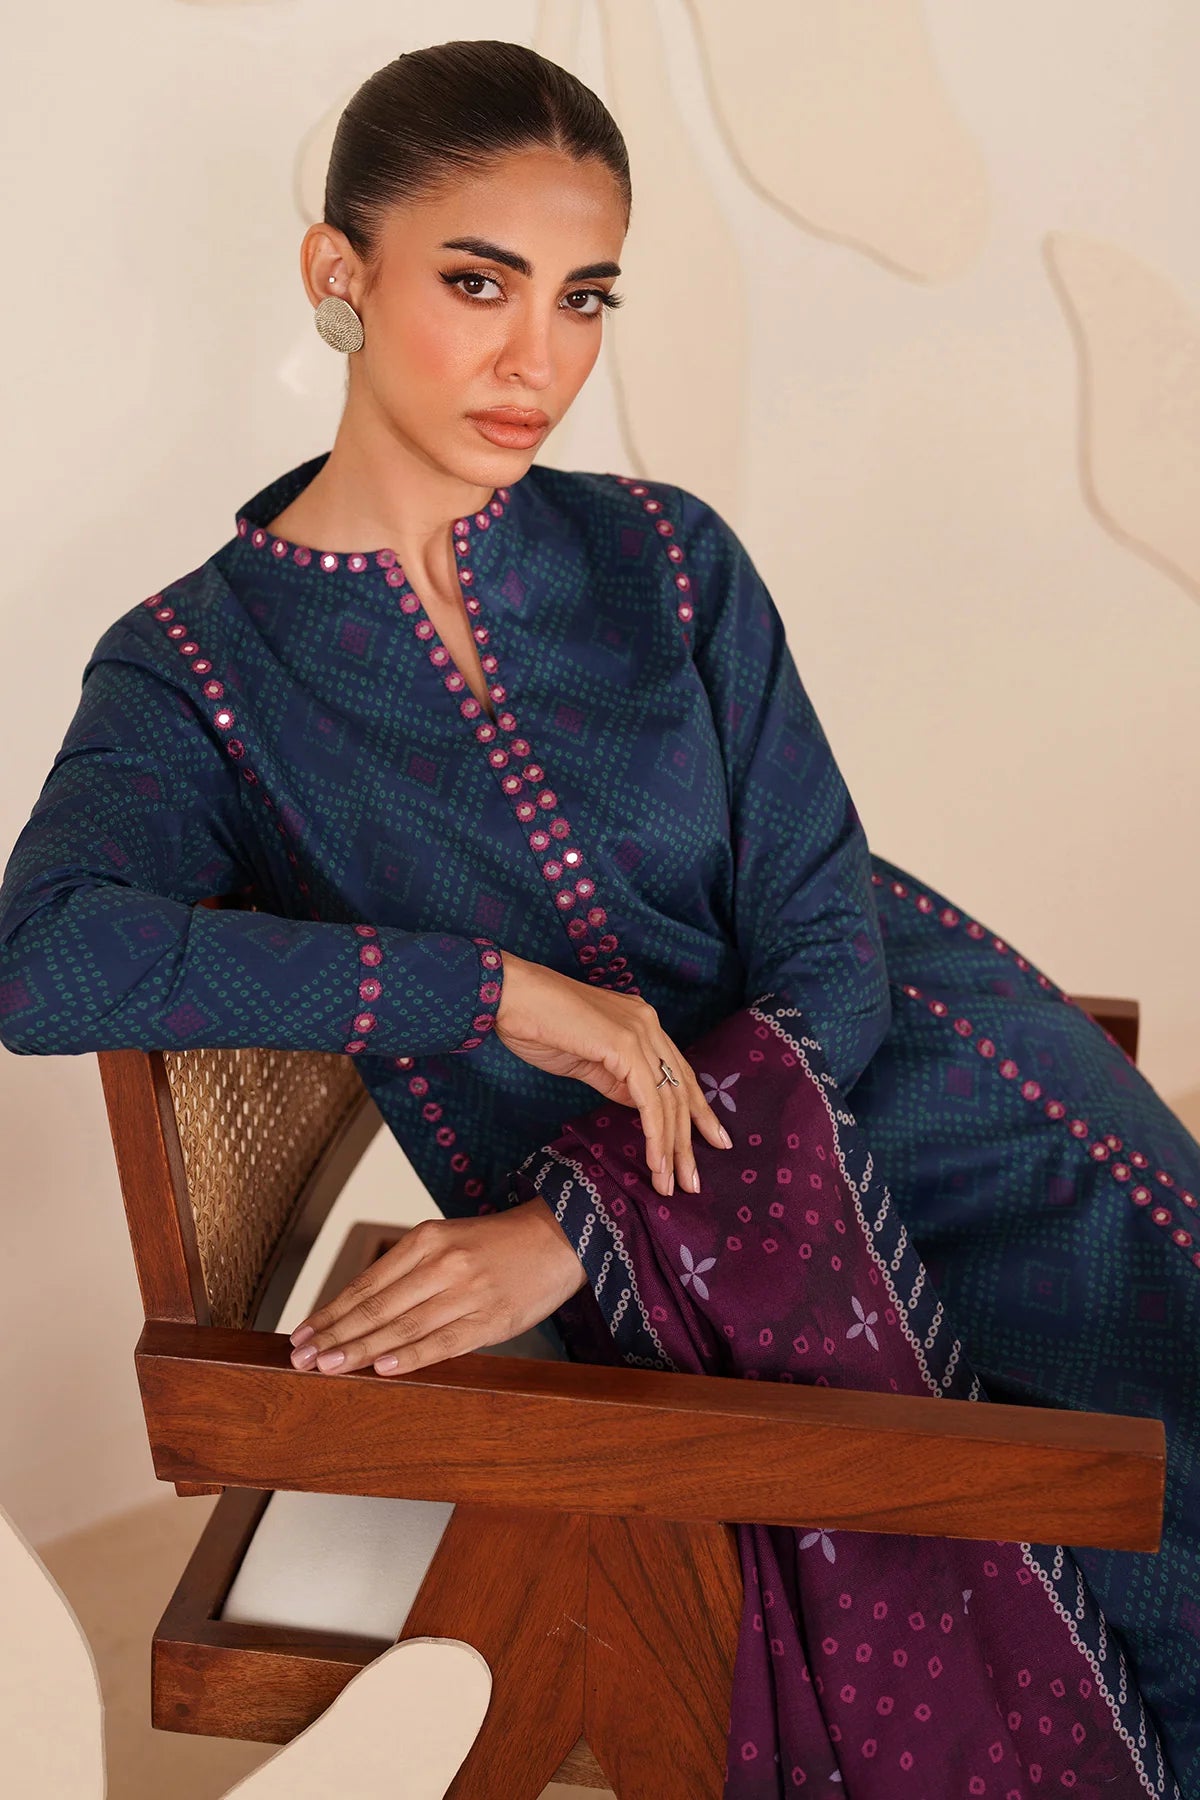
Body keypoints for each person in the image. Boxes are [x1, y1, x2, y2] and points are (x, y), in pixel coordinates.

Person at [0, 36, 1195, 1798]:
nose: (538, 361)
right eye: (478, 284)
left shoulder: (667, 555)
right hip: (715, 1285)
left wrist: (579, 1223)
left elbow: (829, 945)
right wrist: (492, 995)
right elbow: (46, 961)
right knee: (1104, 1538)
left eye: (584, 299)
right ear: (341, 271)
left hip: (950, 1109)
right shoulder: (199, 669)